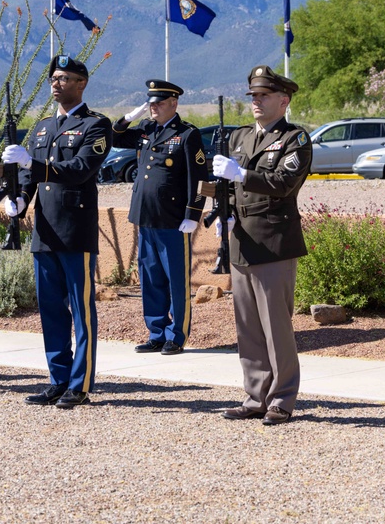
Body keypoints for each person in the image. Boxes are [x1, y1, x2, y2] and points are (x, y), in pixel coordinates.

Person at [2, 54, 113, 409]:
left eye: (64, 78)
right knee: (50, 311)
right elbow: (28, 176)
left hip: (74, 229)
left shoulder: (96, 125)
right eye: (53, 78)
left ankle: (79, 385)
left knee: (80, 311)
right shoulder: (41, 128)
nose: (56, 83)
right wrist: (18, 199)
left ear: (82, 83)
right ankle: (57, 379)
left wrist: (32, 164)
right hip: (45, 231)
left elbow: (80, 168)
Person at [211, 65, 312, 425]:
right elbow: (224, 188)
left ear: (282, 101)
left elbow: (283, 182)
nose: (255, 101)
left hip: (273, 242)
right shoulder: (239, 138)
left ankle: (282, 399)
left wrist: (241, 174)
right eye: (253, 95)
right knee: (248, 327)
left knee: (276, 327)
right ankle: (255, 395)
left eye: (263, 95)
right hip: (241, 241)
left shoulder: (294, 139)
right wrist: (222, 213)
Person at [112, 80, 207, 355]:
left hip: (173, 220)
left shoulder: (187, 134)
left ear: (174, 103)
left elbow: (198, 178)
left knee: (175, 280)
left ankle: (176, 337)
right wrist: (129, 118)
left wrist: (193, 213)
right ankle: (156, 332)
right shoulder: (146, 129)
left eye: (159, 103)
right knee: (151, 278)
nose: (153, 108)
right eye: (150, 103)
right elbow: (114, 138)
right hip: (145, 218)